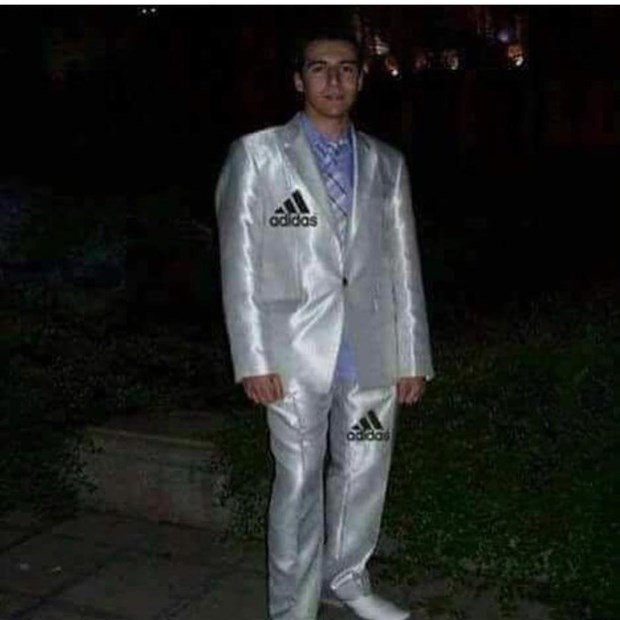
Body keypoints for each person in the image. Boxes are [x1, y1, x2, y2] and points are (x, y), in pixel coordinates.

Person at [215, 25, 434, 620]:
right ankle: (293, 607)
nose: (333, 79)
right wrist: (252, 358)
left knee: (365, 468)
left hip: (371, 351)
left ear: (361, 79)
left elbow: (404, 264)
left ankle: (348, 579)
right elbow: (239, 263)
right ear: (298, 79)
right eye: (319, 67)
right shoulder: (258, 156)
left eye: (346, 68)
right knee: (299, 480)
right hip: (291, 356)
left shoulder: (386, 164)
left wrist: (412, 356)